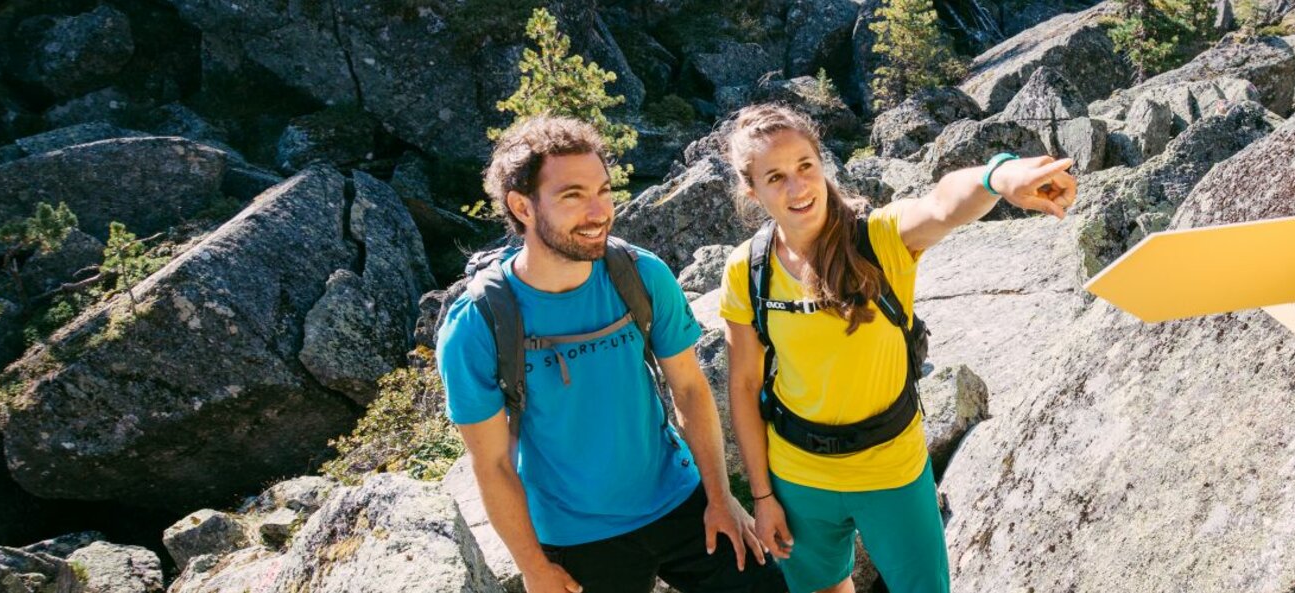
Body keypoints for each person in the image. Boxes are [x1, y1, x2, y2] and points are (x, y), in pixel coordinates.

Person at [717, 104, 1078, 593]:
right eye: (775, 177)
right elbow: (744, 384)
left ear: (822, 164)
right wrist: (762, 495)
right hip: (798, 475)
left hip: (891, 468)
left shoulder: (879, 239)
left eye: (805, 166)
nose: (797, 187)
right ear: (752, 190)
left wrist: (1000, 176)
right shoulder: (748, 270)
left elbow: (941, 205)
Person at [438, 115, 785, 593]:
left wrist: (720, 497)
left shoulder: (641, 275)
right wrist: (533, 567)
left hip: (680, 500)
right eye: (572, 195)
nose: (599, 211)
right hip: (576, 538)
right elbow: (492, 464)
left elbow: (688, 388)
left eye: (603, 190)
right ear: (521, 205)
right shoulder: (477, 324)